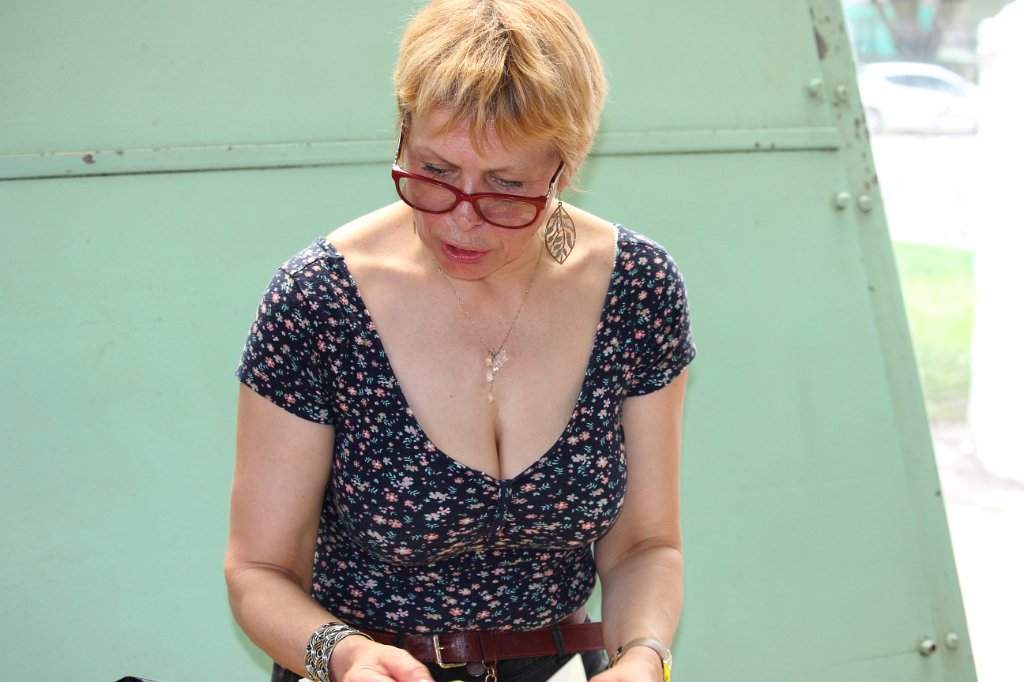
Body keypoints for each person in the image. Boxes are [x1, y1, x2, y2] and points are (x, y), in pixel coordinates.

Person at [225, 1, 696, 680]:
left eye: (507, 188)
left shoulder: (636, 289)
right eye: (435, 173)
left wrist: (643, 656)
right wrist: (345, 655)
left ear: (565, 169)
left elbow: (644, 546)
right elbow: (258, 569)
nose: (461, 221)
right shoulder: (319, 300)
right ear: (402, 132)